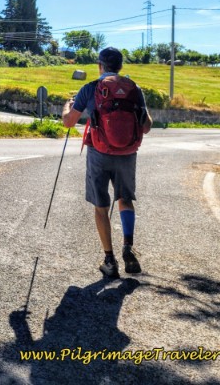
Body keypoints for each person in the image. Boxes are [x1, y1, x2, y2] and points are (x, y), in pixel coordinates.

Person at [62, 47, 153, 279]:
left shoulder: (90, 88)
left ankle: (110, 260)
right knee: (125, 199)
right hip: (127, 153)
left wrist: (67, 106)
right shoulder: (134, 89)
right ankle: (128, 247)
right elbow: (147, 126)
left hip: (99, 153)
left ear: (99, 65)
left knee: (101, 207)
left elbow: (69, 123)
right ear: (121, 66)